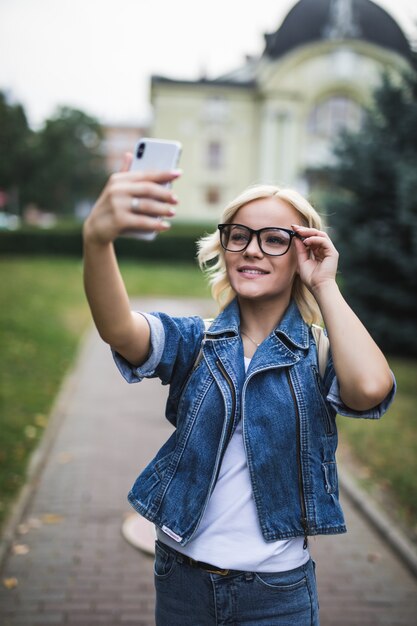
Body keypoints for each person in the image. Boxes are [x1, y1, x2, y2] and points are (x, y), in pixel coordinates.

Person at [83, 153, 396, 626]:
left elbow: (371, 388)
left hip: (277, 593)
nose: (252, 249)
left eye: (275, 240)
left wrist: (326, 285)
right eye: (240, 236)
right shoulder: (196, 341)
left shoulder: (320, 355)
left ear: (303, 254)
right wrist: (97, 240)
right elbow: (119, 330)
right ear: (224, 246)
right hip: (181, 581)